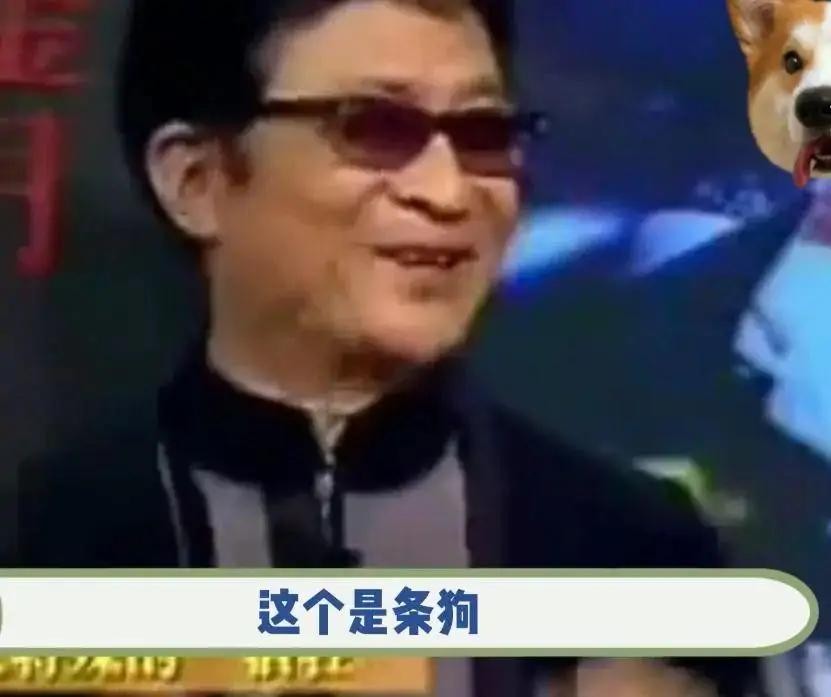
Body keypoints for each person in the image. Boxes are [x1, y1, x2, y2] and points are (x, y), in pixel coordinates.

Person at [6, 0, 755, 694]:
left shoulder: (636, 556)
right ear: (196, 181)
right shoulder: (40, 544)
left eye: (482, 134)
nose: (448, 192)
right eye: (373, 128)